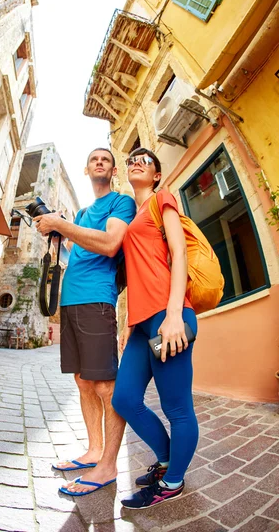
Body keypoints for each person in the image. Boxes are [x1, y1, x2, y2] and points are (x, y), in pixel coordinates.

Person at [34, 147, 136, 497]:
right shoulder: (80, 213)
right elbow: (75, 253)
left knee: (106, 386)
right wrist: (56, 232)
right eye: (93, 158)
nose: (99, 162)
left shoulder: (120, 203)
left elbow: (109, 244)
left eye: (105, 159)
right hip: (71, 300)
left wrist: (63, 225)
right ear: (86, 167)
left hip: (97, 299)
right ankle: (93, 450)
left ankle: (107, 466)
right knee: (82, 381)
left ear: (112, 170)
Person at [112, 147, 198, 510]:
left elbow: (178, 253)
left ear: (157, 175)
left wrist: (175, 314)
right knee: (125, 399)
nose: (136, 162)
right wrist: (130, 323)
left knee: (176, 407)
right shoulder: (131, 218)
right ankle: (166, 460)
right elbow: (136, 275)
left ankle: (173, 481)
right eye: (132, 159)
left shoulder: (162, 199)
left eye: (145, 161)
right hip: (142, 324)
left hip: (169, 316)